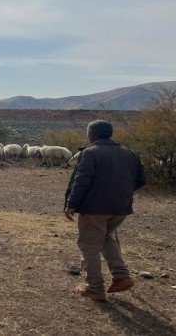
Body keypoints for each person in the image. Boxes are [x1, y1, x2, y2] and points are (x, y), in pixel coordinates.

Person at [64, 120, 146, 301]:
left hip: (95, 208)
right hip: (120, 208)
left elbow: (82, 180)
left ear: (91, 134)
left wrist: (71, 203)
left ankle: (95, 288)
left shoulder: (91, 153)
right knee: (107, 237)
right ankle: (121, 276)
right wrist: (120, 192)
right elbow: (140, 180)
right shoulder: (129, 153)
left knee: (89, 245)